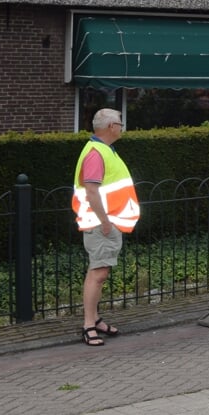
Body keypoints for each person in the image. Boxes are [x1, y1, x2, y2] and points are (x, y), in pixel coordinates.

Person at [74, 108, 139, 346]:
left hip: (104, 222)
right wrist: (104, 222)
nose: (122, 127)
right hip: (100, 223)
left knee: (101, 273)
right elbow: (92, 191)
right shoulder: (97, 153)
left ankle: (95, 319)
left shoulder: (102, 150)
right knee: (98, 273)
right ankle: (88, 325)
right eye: (120, 123)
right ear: (111, 126)